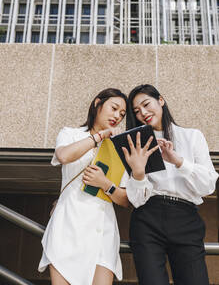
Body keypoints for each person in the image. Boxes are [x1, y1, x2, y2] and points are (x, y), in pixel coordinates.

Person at [122, 84, 218, 285]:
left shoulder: (192, 136)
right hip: (148, 217)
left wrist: (178, 161)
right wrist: (138, 172)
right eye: (137, 112)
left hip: (186, 218)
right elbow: (137, 200)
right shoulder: (136, 145)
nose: (143, 113)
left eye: (146, 104)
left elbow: (208, 185)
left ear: (161, 100)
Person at [38, 88, 130, 285]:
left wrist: (105, 184)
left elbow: (125, 199)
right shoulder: (70, 133)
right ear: (98, 103)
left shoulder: (118, 147)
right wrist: (98, 137)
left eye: (122, 114)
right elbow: (63, 156)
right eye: (114, 108)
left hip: (101, 229)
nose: (117, 116)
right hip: (69, 223)